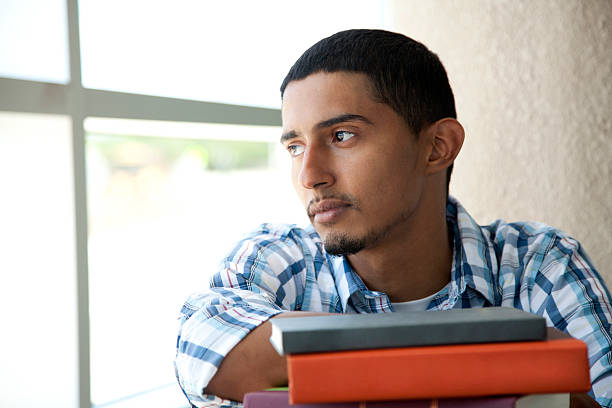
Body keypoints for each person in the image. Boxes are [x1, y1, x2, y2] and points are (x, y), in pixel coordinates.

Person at [174, 29, 612, 408]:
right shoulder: (275, 258)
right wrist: (515, 362)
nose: (310, 175)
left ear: (438, 146)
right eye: (295, 147)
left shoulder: (539, 263)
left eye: (342, 136)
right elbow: (201, 353)